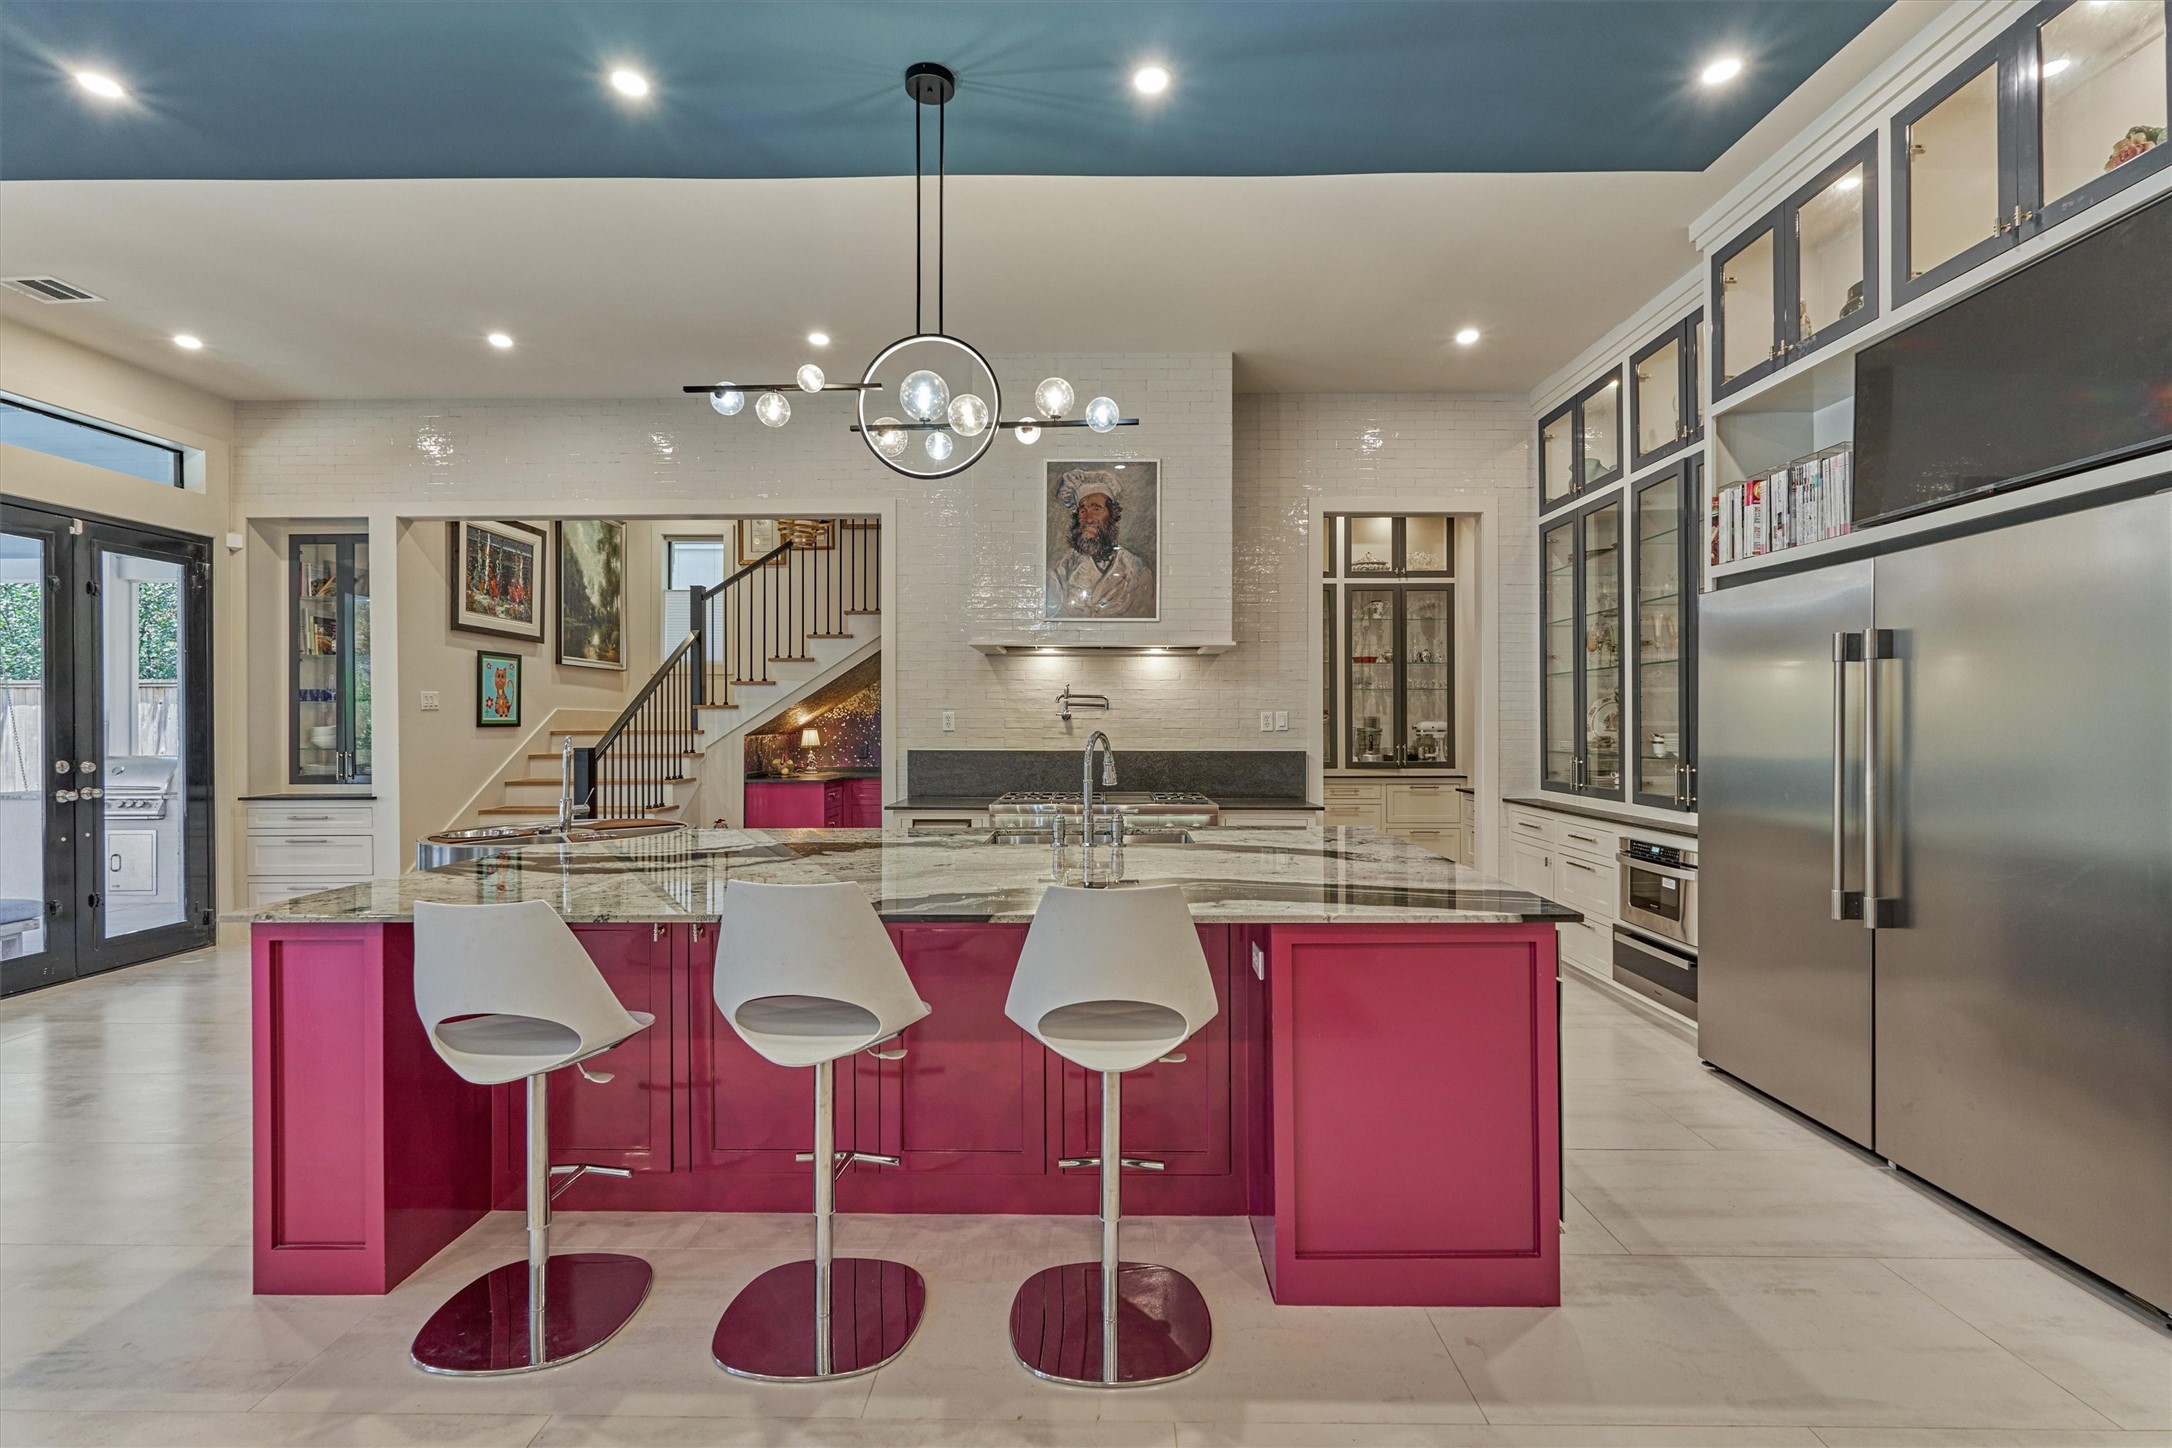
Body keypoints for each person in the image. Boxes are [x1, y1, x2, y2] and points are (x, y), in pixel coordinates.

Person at [1046, 468, 1155, 618]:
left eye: (1096, 508)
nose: (1088, 518)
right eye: (1082, 511)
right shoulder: (1062, 571)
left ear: (1112, 515)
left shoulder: (1137, 571)